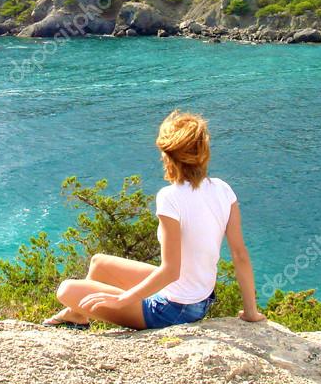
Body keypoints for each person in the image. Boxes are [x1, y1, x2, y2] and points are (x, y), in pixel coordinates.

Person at [44, 109, 266, 330]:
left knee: (66, 290)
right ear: (203, 153)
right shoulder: (223, 189)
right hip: (201, 299)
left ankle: (77, 311)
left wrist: (122, 300)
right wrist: (251, 312)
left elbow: (171, 271)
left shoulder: (170, 197)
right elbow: (240, 255)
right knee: (99, 263)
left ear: (167, 155)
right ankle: (77, 315)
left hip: (172, 310)